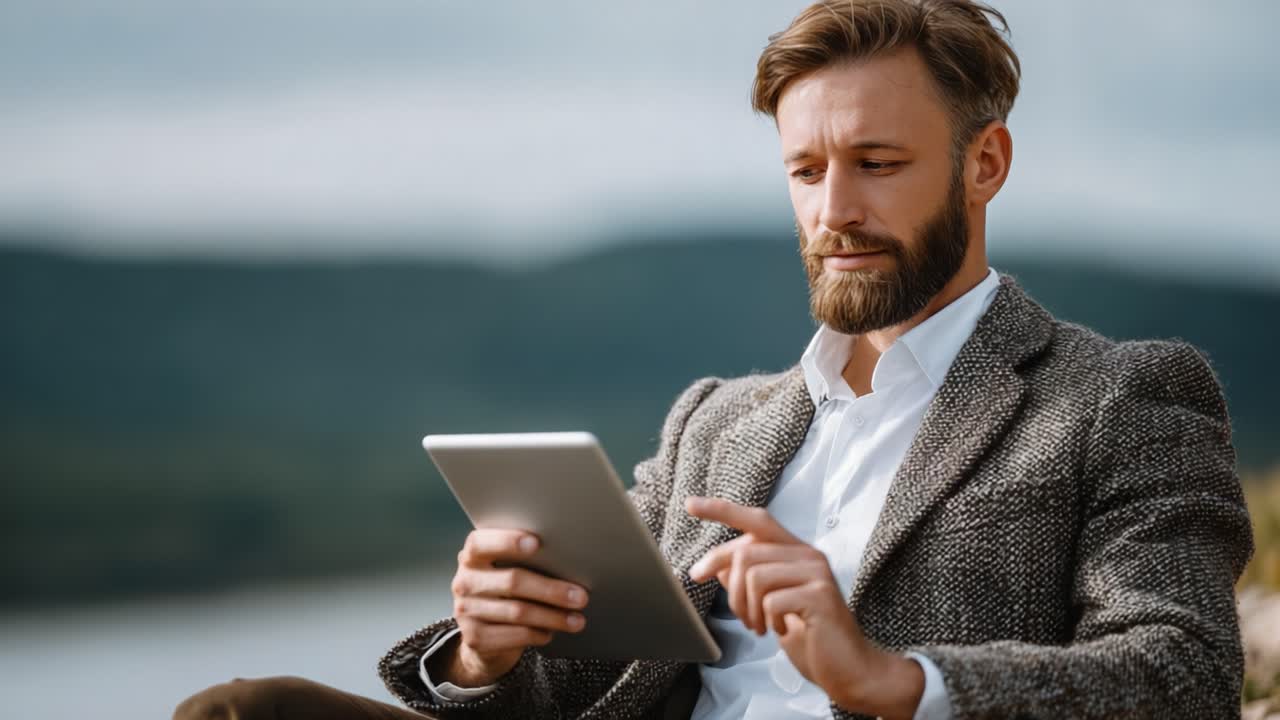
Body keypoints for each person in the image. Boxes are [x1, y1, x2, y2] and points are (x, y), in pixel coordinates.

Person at [174, 1, 1254, 718]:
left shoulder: (1114, 395)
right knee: (242, 713)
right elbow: (586, 688)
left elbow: (1183, 672)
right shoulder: (716, 421)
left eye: (876, 163)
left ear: (985, 163)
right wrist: (485, 653)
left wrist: (892, 680)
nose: (834, 210)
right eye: (805, 169)